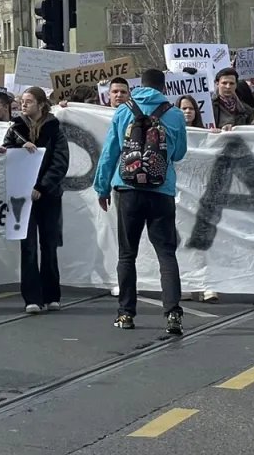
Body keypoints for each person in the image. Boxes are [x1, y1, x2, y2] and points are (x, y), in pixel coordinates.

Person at [94, 67, 187, 334]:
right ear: (163, 87)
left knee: (127, 254)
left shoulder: (124, 110)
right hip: (161, 191)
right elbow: (179, 154)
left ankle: (126, 314)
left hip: (128, 189)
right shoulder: (175, 114)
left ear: (139, 85)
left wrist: (101, 187)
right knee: (166, 254)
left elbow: (110, 152)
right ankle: (172, 314)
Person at [1, 88, 69, 315]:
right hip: (22, 196)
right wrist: (17, 147)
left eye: (28, 102)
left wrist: (42, 186)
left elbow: (60, 162)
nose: (23, 105)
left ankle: (51, 294)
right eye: (21, 101)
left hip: (48, 196)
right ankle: (32, 297)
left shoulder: (54, 130)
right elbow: (6, 154)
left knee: (49, 245)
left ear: (41, 105)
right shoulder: (15, 129)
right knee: (27, 246)